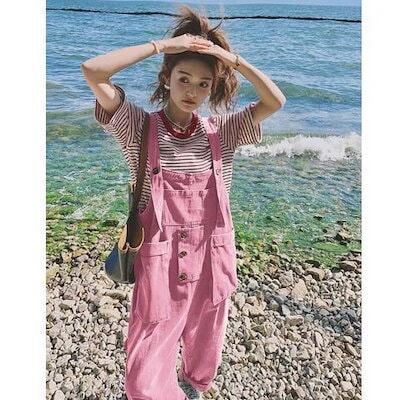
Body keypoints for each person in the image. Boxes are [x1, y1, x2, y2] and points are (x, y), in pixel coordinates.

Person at [81, 5, 286, 400]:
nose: (192, 91)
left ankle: (193, 387)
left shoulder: (223, 131)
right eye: (184, 79)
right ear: (167, 78)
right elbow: (93, 71)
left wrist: (232, 61)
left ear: (212, 88)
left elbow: (275, 100)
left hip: (211, 254)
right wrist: (161, 46)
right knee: (149, 343)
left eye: (203, 84)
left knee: (207, 332)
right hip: (161, 258)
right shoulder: (139, 127)